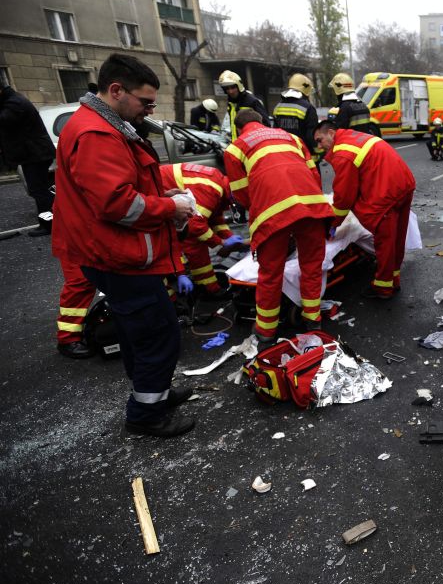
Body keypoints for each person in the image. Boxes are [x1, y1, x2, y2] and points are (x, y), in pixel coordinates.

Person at [51, 53, 197, 438]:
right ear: (116, 91)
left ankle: (155, 395)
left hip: (110, 252)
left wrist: (163, 197)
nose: (150, 110)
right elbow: (118, 203)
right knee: (158, 333)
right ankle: (146, 414)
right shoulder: (97, 133)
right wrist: (172, 206)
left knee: (141, 330)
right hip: (118, 255)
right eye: (145, 102)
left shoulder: (104, 125)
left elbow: (124, 187)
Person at [223, 111, 333, 344]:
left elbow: (242, 195)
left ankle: (266, 330)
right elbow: (314, 173)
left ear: (239, 128)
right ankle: (312, 319)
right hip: (310, 204)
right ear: (262, 122)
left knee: (271, 273)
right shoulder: (290, 137)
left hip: (272, 212)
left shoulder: (235, 149)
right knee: (312, 265)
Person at [314, 121, 415, 300]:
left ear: (331, 132)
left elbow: (344, 197)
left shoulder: (343, 153)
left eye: (320, 140)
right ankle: (394, 279)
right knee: (396, 238)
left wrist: (332, 223)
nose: (319, 146)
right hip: (403, 185)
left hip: (385, 193)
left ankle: (383, 287)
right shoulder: (353, 137)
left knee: (384, 242)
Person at [159, 162, 246, 297]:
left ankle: (202, 284)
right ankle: (207, 287)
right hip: (157, 197)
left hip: (163, 193)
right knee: (195, 243)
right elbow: (195, 226)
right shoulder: (211, 189)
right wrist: (221, 243)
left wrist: (227, 236)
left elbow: (214, 218)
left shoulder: (219, 186)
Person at [0, 85, 56, 236]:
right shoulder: (11, 101)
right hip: (33, 154)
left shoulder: (14, 103)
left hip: (36, 154)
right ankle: (51, 221)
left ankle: (50, 224)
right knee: (40, 190)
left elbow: (4, 121)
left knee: (39, 190)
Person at [273, 73, 318, 154]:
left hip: (284, 153)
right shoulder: (308, 107)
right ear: (306, 89)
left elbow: (275, 133)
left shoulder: (278, 107)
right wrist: (317, 152)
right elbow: (311, 135)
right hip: (303, 153)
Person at [218, 70, 267, 141]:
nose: (230, 91)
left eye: (232, 88)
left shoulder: (252, 101)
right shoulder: (231, 103)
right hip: (238, 143)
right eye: (227, 89)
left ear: (239, 86)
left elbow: (266, 123)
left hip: (252, 143)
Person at [328, 72, 381, 137]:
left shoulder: (344, 109)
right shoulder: (364, 106)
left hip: (350, 145)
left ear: (338, 90)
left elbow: (340, 133)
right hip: (363, 144)